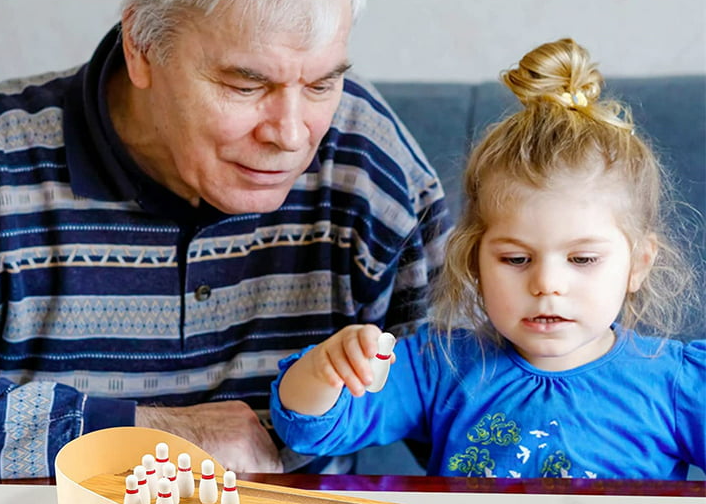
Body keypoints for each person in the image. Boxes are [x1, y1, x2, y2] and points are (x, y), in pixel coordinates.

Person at [0, 0, 450, 480]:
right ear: (143, 47)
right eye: (246, 84)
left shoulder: (367, 161)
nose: (290, 134)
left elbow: (478, 390)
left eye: (320, 84)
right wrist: (160, 434)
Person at [271, 38, 706, 480]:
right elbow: (310, 430)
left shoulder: (675, 383)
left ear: (639, 264)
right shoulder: (438, 365)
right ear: (474, 261)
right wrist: (325, 369)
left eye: (583, 259)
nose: (547, 284)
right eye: (516, 259)